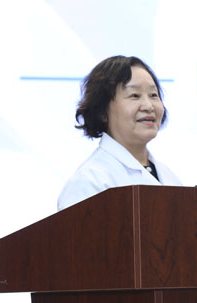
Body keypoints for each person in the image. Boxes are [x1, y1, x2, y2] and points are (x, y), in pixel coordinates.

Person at [57, 56, 181, 210]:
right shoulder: (89, 181)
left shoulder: (168, 175)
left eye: (153, 95)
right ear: (102, 111)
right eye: (134, 95)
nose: (149, 106)